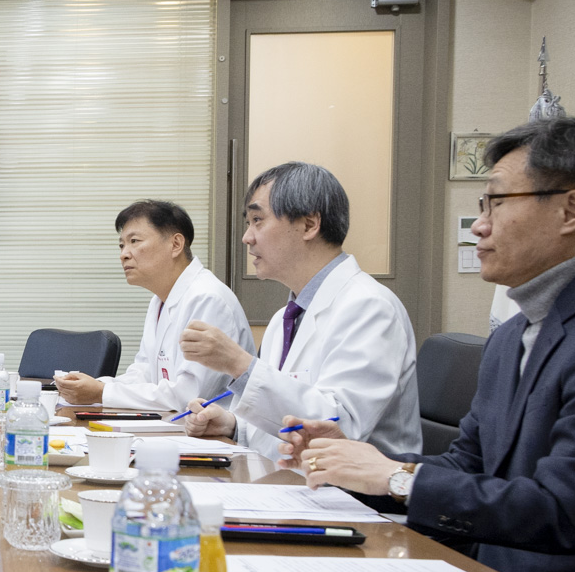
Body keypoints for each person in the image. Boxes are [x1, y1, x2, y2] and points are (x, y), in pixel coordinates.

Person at [284, 119, 575, 572]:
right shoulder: (514, 333)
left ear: (571, 210)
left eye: (496, 203)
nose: (479, 224)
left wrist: (395, 479)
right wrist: (358, 465)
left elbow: (568, 511)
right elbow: (470, 466)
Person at [179, 161, 421, 460]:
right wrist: (232, 426)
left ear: (309, 225)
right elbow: (287, 411)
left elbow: (339, 426)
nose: (247, 237)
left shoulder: (370, 307)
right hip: (292, 482)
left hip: (356, 498)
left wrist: (238, 363)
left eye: (258, 220)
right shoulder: (287, 316)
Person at [53, 200, 253, 411]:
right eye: (122, 245)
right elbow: (144, 372)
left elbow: (189, 395)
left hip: (214, 436)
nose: (124, 254)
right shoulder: (159, 299)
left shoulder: (208, 298)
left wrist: (102, 393)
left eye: (135, 241)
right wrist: (99, 385)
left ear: (176, 244)